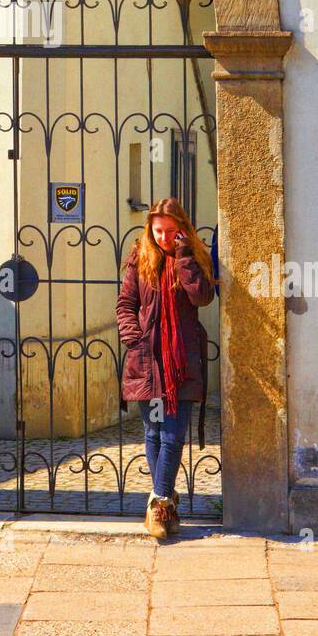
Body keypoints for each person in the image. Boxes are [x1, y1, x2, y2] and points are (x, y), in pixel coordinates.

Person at [116, 197, 214, 538]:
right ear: (150, 229)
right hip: (146, 359)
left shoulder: (194, 257)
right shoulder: (138, 258)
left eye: (171, 231)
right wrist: (135, 338)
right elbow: (126, 304)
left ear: (182, 230)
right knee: (154, 432)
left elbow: (202, 297)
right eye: (158, 231)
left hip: (181, 360)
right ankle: (167, 504)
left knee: (173, 435)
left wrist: (184, 258)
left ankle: (157, 503)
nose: (164, 237)